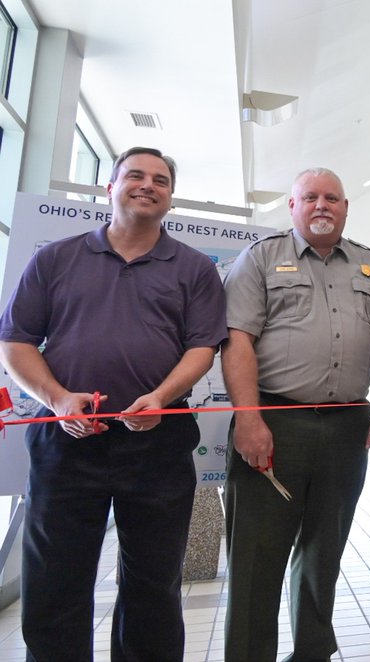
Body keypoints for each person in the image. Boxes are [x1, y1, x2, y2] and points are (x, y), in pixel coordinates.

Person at [0, 147, 227, 660]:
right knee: (55, 581)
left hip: (159, 442)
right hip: (65, 440)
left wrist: (161, 397)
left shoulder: (193, 269)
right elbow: (15, 342)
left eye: (161, 180)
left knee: (153, 585)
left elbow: (202, 349)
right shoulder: (54, 259)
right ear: (110, 187)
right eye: (136, 175)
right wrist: (57, 399)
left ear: (171, 197)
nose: (148, 185)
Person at [221, 167, 370, 660]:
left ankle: (312, 653)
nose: (322, 205)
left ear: (345, 207)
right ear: (293, 206)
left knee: (325, 553)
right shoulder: (260, 258)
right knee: (257, 559)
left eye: (333, 198)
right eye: (311, 197)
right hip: (276, 422)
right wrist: (250, 419)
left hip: (347, 425)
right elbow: (237, 342)